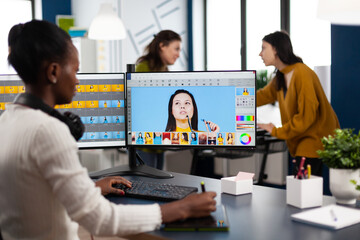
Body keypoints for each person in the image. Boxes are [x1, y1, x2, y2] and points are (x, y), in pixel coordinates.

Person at [0, 20, 217, 239]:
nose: (77, 81)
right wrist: (181, 208)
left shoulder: (7, 120)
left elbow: (37, 194)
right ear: (54, 71)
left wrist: (92, 190)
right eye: (75, 70)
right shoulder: (48, 131)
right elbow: (101, 219)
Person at [257, 31, 340, 176]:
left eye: (264, 48)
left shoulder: (302, 73)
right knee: (303, 190)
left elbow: (306, 117)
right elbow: (262, 96)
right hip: (301, 139)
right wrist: (229, 101)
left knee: (304, 191)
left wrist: (276, 131)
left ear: (275, 49)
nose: (260, 53)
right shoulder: (281, 77)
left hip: (313, 139)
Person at [135, 30, 182, 169]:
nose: (178, 54)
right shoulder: (143, 67)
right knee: (147, 182)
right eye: (176, 48)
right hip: (145, 141)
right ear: (162, 46)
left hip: (159, 140)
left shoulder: (164, 70)